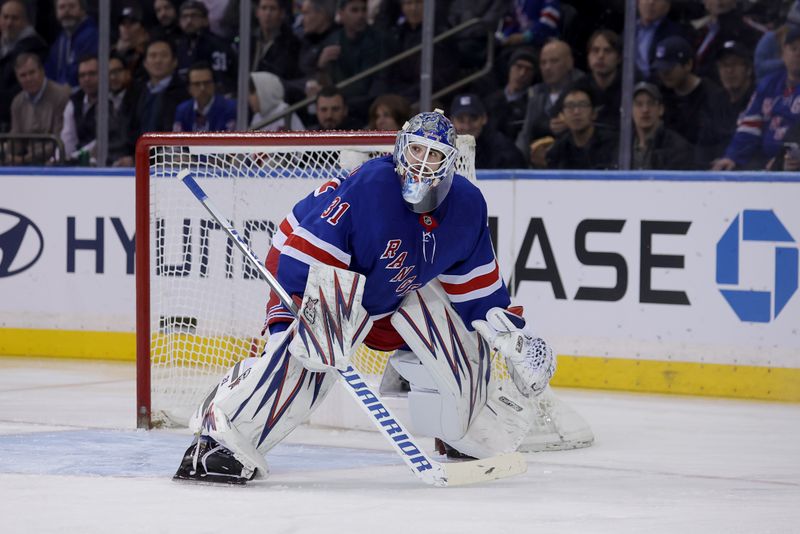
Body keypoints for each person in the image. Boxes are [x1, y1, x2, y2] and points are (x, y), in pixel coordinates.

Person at [173, 110, 557, 483]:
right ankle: (224, 437)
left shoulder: (468, 206)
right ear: (400, 149)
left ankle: (470, 430)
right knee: (313, 348)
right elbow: (304, 257)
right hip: (314, 266)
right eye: (417, 150)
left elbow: (477, 290)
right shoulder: (372, 185)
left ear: (450, 163)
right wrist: (288, 328)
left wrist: (514, 340)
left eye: (435, 154)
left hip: (391, 291)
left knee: (459, 326)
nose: (423, 163)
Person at [713, 26, 800, 171]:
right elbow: (750, 126)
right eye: (793, 48)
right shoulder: (769, 84)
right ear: (783, 52)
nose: (798, 54)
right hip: (764, 162)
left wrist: (780, 161)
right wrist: (732, 157)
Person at [652, 35, 727, 168]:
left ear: (688, 65)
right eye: (660, 69)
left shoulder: (713, 96)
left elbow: (716, 143)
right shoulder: (660, 93)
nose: (664, 74)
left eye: (669, 69)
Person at [515, 39, 584, 164]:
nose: (547, 67)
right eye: (543, 63)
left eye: (554, 61)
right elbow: (526, 133)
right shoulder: (536, 94)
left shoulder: (584, 88)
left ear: (569, 63)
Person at [318, 0, 386, 124]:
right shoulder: (332, 40)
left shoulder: (379, 40)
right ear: (341, 13)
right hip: (339, 105)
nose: (360, 15)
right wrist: (322, 65)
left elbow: (374, 83)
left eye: (363, 10)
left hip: (365, 106)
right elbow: (326, 83)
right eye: (354, 10)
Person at [6, 52, 70, 164]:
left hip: (54, 162)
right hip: (26, 163)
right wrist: (6, 153)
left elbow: (59, 140)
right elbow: (15, 140)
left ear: (42, 71)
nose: (28, 78)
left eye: (32, 73)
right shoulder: (17, 102)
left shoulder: (61, 95)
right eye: (23, 75)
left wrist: (24, 160)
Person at [545, 82, 618, 170]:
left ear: (594, 113)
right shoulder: (558, 150)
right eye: (570, 106)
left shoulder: (612, 144)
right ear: (562, 115)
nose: (576, 112)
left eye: (583, 105)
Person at [0, 0, 48, 132]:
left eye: (15, 18)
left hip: (20, 121)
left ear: (25, 21)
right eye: (5, 17)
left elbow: (23, 87)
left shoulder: (34, 47)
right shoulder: (4, 46)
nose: (9, 23)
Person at [174, 0, 237, 95]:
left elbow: (222, 81)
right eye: (185, 16)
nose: (189, 21)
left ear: (206, 20)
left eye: (194, 16)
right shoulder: (179, 46)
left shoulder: (218, 45)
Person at [450, 93, 526, 169]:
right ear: (451, 121)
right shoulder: (444, 148)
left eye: (473, 119)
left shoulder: (503, 148)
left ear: (484, 118)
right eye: (461, 120)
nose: (467, 127)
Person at [132, 38, 189, 137]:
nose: (158, 61)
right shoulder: (136, 91)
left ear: (174, 62)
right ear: (145, 63)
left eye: (164, 55)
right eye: (153, 56)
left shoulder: (184, 92)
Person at [630, 81, 693, 170]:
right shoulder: (621, 148)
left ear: (661, 109)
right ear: (630, 111)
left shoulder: (678, 148)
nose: (645, 110)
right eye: (639, 104)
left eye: (651, 103)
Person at [484, 47, 537, 141]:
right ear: (510, 68)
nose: (522, 73)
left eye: (528, 69)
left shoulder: (532, 104)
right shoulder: (490, 100)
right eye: (518, 66)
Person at [44, 0, 98, 89]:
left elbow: (80, 74)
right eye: (62, 7)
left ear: (82, 10)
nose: (66, 11)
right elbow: (50, 71)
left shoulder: (91, 36)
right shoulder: (61, 39)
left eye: (72, 6)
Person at [173, 61, 236, 132]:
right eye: (197, 84)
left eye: (207, 83)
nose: (202, 88)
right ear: (189, 89)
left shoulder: (231, 108)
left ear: (214, 85)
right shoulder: (182, 110)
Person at [635, 0, 687, 81]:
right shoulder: (629, 29)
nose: (651, 2)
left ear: (668, 6)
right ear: (637, 2)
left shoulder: (675, 33)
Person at [252, 0, 301, 82]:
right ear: (257, 13)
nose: (267, 13)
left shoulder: (292, 44)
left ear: (282, 13)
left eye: (273, 9)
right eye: (264, 8)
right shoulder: (250, 40)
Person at [60, 54, 98, 162]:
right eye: (82, 75)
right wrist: (58, 159)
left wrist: (74, 157)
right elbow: (68, 138)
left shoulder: (111, 102)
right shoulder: (74, 102)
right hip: (79, 163)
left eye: (92, 74)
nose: (87, 79)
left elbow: (102, 142)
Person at [586, 29, 622, 132]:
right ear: (588, 57)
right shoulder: (580, 87)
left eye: (608, 51)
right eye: (595, 50)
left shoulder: (630, 86)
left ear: (619, 58)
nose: (600, 56)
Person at [112, 5, 150, 82]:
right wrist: (119, 53)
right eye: (123, 23)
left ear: (142, 27)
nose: (126, 27)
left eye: (132, 23)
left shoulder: (149, 51)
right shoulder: (112, 52)